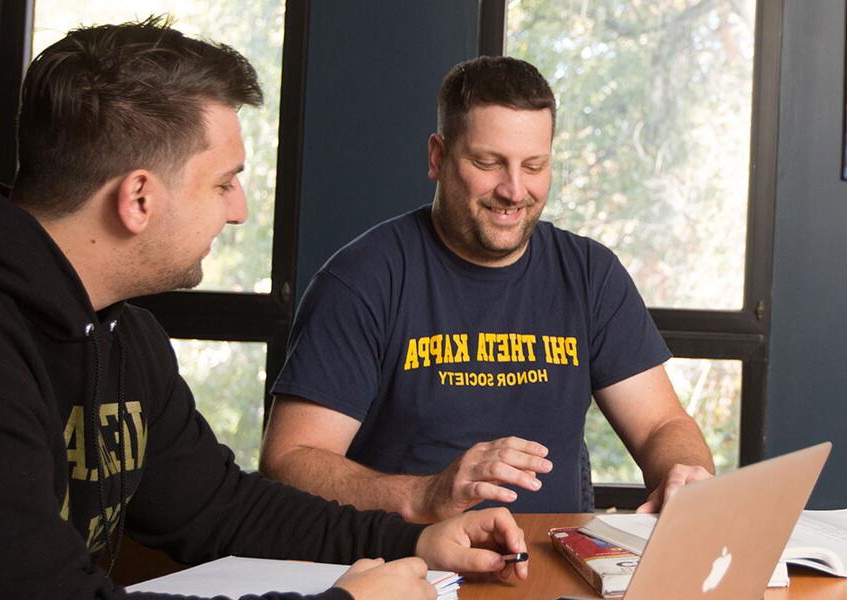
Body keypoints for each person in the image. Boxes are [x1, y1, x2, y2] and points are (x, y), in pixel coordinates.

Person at [0, 19, 529, 600]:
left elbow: (222, 508)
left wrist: (415, 543)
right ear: (139, 198)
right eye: (224, 183)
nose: (240, 211)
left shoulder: (125, 334)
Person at [260, 56, 715, 523]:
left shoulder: (589, 273)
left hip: (553, 566)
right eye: (488, 162)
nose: (515, 190)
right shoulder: (363, 280)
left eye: (534, 166)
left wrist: (685, 473)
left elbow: (662, 424)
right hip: (408, 567)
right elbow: (289, 460)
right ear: (438, 157)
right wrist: (424, 495)